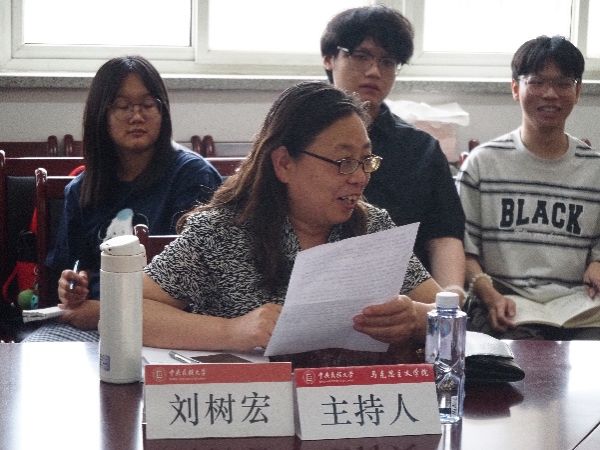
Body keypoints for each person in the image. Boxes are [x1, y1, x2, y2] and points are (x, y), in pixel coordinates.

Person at [143, 81, 441, 367]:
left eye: (365, 160)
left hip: (356, 398)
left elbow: (446, 310)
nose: (360, 177)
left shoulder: (371, 227)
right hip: (256, 398)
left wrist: (416, 318)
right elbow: (133, 310)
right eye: (344, 162)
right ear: (284, 163)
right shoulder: (221, 232)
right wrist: (232, 331)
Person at [24, 56, 222, 342]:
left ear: (162, 111)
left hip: (174, 328)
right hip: (89, 327)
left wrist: (105, 313)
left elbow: (200, 281)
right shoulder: (81, 188)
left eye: (147, 104)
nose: (136, 116)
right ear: (101, 115)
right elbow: (72, 267)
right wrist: (72, 286)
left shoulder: (193, 177)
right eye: (122, 105)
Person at [456, 36, 600, 340]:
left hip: (579, 310)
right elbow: (462, 250)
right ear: (515, 88)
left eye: (563, 83)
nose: (550, 94)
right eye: (536, 82)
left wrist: (598, 262)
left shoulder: (595, 168)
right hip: (505, 304)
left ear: (577, 91)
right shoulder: (483, 164)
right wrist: (490, 297)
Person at [320, 5, 466, 303]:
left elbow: (443, 235)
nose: (374, 71)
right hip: (316, 289)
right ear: (329, 58)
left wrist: (450, 297)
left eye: (388, 61)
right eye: (361, 56)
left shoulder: (421, 149)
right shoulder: (296, 137)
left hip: (405, 298)